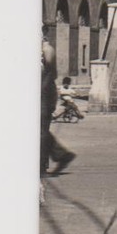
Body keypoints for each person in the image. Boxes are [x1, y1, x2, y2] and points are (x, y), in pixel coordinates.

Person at [41, 38, 76, 176]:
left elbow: (51, 75)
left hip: (44, 94)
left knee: (40, 130)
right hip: (40, 93)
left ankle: (43, 166)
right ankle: (61, 155)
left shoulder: (46, 50)